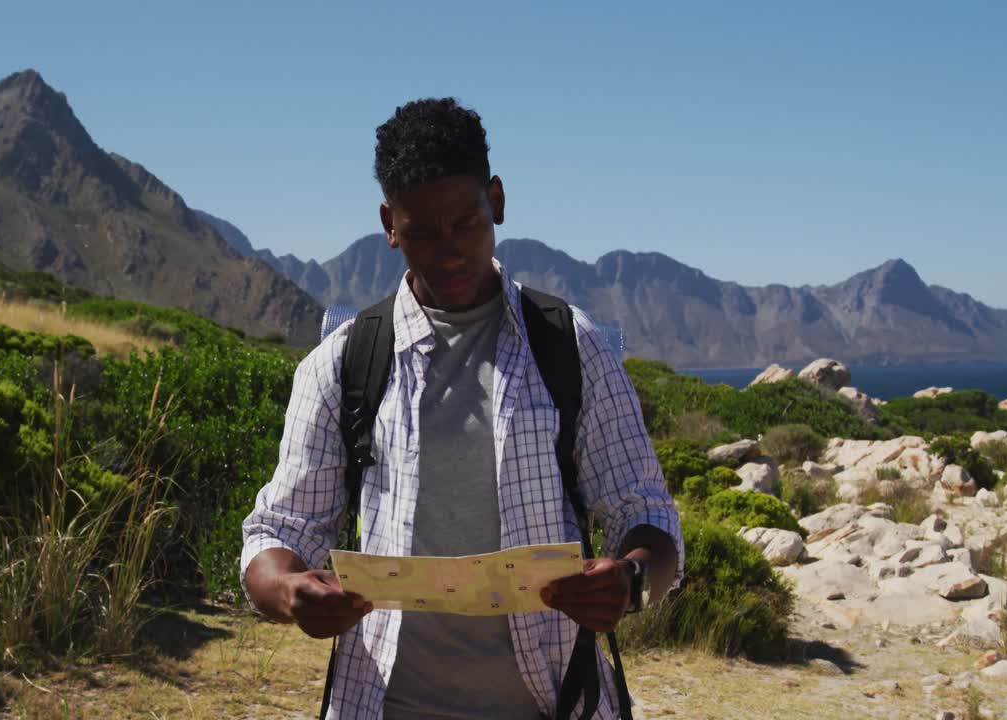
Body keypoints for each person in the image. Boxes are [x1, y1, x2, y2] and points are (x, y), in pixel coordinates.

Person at [241, 98, 683, 720]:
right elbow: (278, 531)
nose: (447, 250)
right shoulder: (342, 364)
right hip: (382, 704)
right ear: (389, 223)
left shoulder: (570, 345)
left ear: (497, 201)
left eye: (466, 223)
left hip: (554, 700)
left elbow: (648, 513)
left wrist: (630, 582)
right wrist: (289, 591)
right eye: (421, 230)